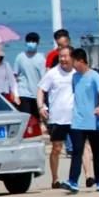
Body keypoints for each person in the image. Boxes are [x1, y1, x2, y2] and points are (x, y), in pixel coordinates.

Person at [60, 49, 99, 194]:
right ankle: (73, 181)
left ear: (80, 61)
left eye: (73, 61)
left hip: (94, 121)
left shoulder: (95, 76)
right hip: (78, 121)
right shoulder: (74, 77)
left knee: (97, 152)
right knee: (77, 151)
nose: (72, 65)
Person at [36, 46, 76, 189]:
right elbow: (41, 89)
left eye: (65, 56)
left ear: (72, 57)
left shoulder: (77, 73)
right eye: (61, 56)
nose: (63, 59)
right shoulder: (52, 74)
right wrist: (41, 107)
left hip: (75, 117)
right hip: (57, 117)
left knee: (81, 148)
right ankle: (55, 178)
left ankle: (87, 176)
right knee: (57, 148)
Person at [14, 32, 46, 120]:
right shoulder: (20, 57)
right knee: (26, 119)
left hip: (37, 95)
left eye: (33, 41)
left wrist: (43, 97)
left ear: (38, 43)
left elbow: (44, 79)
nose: (31, 43)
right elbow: (15, 76)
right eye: (29, 41)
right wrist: (16, 94)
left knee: (36, 120)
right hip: (23, 93)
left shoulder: (41, 58)